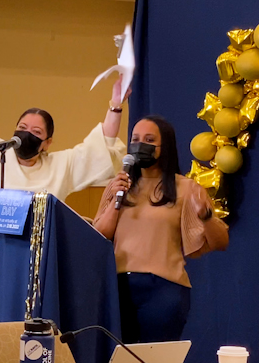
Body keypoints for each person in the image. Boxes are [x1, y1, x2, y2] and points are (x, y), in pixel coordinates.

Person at [0, 43, 129, 308]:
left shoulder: (60, 165)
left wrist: (115, 104)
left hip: (33, 269)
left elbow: (101, 146)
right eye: (21, 127)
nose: (26, 134)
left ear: (47, 143)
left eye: (36, 132)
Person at [93, 116, 229, 343]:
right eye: (135, 139)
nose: (139, 145)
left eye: (149, 139)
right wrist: (117, 200)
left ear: (164, 147)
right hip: (118, 288)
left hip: (163, 289)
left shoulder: (185, 188)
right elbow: (99, 236)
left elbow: (220, 241)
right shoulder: (118, 185)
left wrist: (205, 217)